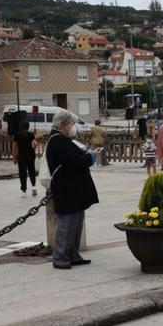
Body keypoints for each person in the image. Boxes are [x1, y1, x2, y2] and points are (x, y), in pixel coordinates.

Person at [45, 110, 100, 270]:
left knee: (75, 224)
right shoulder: (58, 140)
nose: (73, 127)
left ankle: (73, 254)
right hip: (66, 190)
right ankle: (60, 257)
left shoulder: (63, 139)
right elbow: (72, 161)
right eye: (71, 124)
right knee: (66, 225)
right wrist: (89, 158)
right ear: (65, 124)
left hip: (73, 190)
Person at [14, 121, 38, 197]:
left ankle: (24, 191)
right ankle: (34, 187)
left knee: (22, 172)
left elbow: (15, 147)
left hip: (21, 155)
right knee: (31, 170)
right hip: (30, 154)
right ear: (28, 126)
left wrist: (15, 157)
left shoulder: (17, 135)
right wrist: (33, 149)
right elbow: (35, 144)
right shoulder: (30, 134)